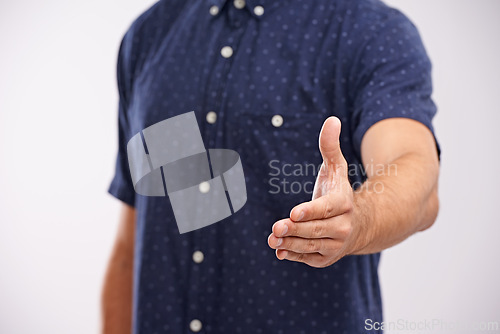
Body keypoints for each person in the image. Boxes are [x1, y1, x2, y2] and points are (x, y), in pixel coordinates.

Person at [102, 0, 440, 333]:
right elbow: (130, 245)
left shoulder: (371, 31)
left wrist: (360, 220)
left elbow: (411, 169)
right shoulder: (150, 34)